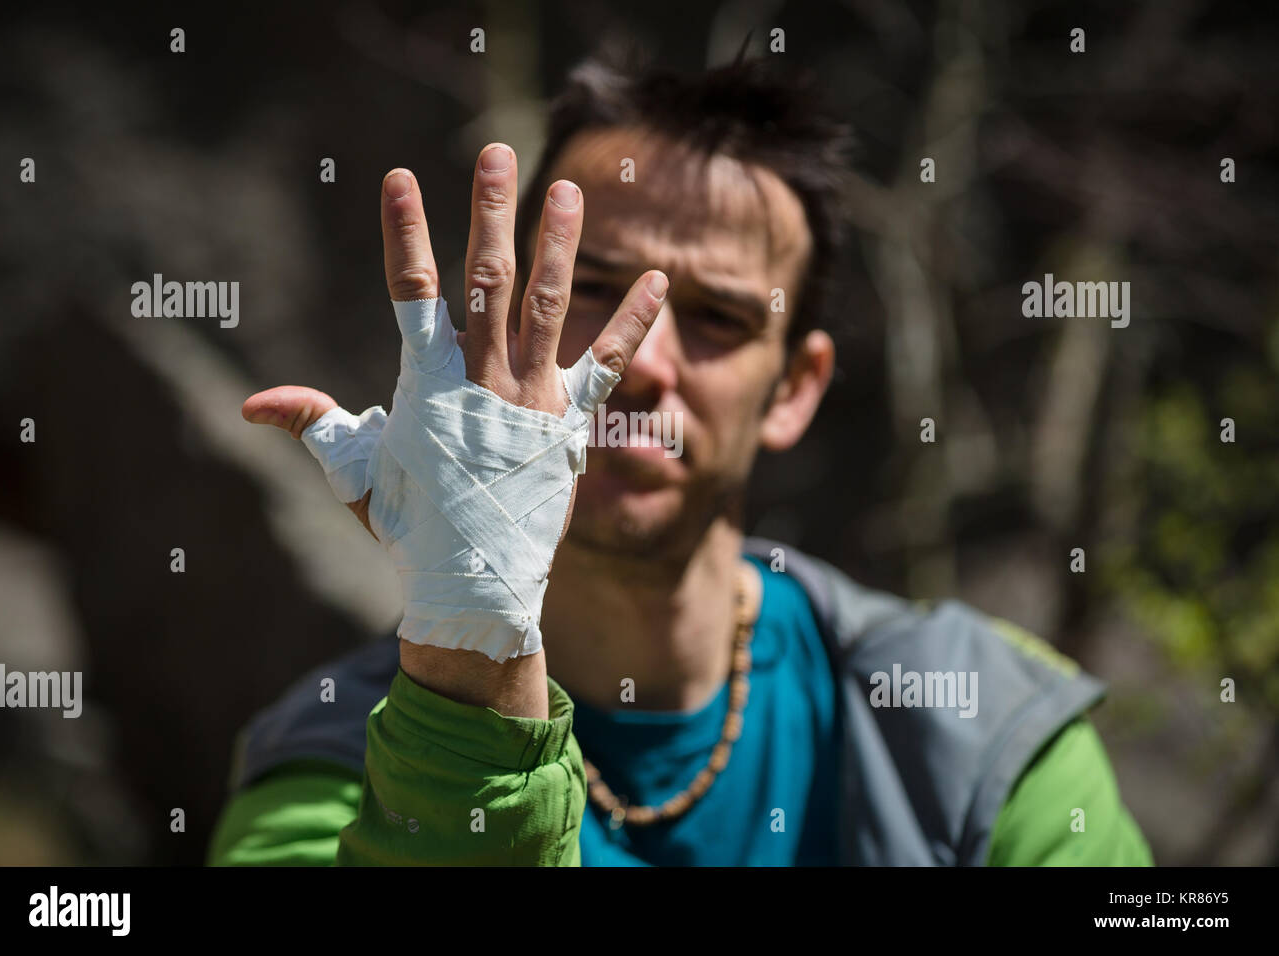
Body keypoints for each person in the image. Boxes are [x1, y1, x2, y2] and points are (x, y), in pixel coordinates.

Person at [208, 55, 1153, 866]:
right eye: (593, 287)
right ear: (496, 315)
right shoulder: (335, 761)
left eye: (718, 318)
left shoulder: (980, 730)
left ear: (793, 390)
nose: (644, 362)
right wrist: (468, 654)